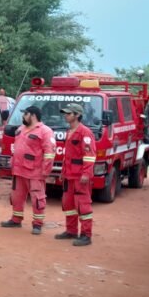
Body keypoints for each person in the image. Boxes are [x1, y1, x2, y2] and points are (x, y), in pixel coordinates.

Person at [0, 106, 55, 234]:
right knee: (16, 197)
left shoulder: (45, 131)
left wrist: (45, 171)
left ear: (33, 115)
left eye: (25, 114)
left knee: (37, 199)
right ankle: (16, 219)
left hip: (35, 172)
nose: (23, 116)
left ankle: (37, 224)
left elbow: (49, 153)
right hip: (18, 171)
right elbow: (16, 149)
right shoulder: (21, 129)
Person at [55, 103, 96, 246]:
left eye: (69, 113)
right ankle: (71, 231)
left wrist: (86, 173)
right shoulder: (69, 132)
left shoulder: (85, 133)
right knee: (68, 204)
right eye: (65, 113)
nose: (66, 116)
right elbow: (68, 156)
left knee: (82, 205)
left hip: (79, 177)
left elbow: (89, 155)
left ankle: (86, 234)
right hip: (69, 176)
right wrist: (62, 172)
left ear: (77, 115)